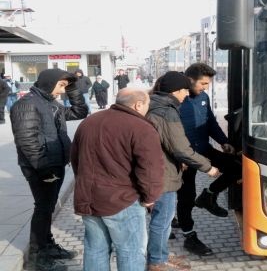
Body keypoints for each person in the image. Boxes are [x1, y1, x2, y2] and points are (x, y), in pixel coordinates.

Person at [70, 88, 164, 271]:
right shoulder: (141, 127)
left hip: (88, 198)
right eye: (147, 105)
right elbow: (150, 168)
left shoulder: (89, 121)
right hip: (123, 200)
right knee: (130, 251)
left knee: (95, 250)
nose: (147, 109)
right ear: (138, 104)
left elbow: (76, 160)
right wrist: (150, 197)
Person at [10, 69, 88, 271]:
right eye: (61, 85)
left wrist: (73, 89)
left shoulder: (50, 103)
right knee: (43, 209)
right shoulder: (26, 104)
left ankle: (48, 245)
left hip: (54, 164)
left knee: (48, 208)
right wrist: (44, 169)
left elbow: (80, 112)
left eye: (65, 86)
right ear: (48, 83)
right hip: (42, 167)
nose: (63, 90)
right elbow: (27, 141)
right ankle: (37, 256)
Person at [145, 71, 220, 271]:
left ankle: (159, 255)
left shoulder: (153, 104)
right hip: (164, 172)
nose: (187, 94)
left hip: (157, 167)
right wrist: (208, 167)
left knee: (162, 219)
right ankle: (156, 261)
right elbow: (179, 147)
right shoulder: (167, 111)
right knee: (163, 220)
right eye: (185, 90)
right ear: (176, 90)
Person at [176, 63, 241, 256]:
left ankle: (208, 196)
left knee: (236, 168)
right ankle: (189, 235)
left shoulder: (203, 97)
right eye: (203, 83)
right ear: (190, 80)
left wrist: (223, 141)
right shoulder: (176, 99)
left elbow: (210, 122)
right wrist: (177, 157)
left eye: (208, 84)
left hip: (204, 150)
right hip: (184, 158)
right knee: (186, 197)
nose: (206, 87)